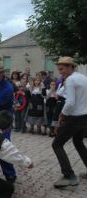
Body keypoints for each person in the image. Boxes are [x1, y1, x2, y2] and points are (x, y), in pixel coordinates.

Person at [52, 56, 87, 188]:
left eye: (62, 68)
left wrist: (62, 115)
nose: (60, 71)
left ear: (70, 67)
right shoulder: (83, 77)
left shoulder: (71, 80)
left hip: (75, 117)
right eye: (59, 68)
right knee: (78, 142)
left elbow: (70, 102)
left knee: (57, 144)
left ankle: (69, 176)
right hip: (85, 116)